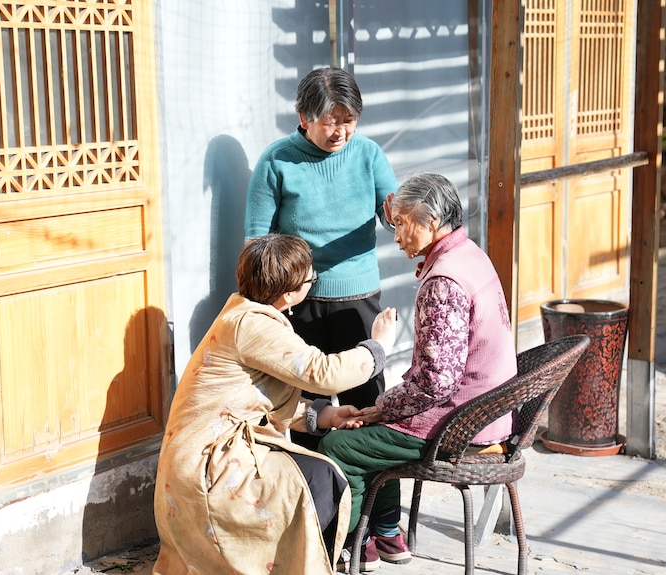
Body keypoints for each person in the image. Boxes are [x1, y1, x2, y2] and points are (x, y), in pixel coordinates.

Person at [152, 233, 399, 575]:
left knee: (316, 474)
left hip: (204, 453)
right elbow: (323, 372)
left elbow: (261, 399)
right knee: (319, 479)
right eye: (310, 278)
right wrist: (378, 345)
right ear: (289, 292)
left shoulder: (242, 313)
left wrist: (326, 416)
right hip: (207, 465)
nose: (312, 283)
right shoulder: (252, 325)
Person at [318, 173, 518, 571]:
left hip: (463, 424)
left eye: (402, 223)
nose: (395, 236)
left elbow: (435, 383)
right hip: (488, 414)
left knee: (339, 447)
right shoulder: (470, 254)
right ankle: (388, 536)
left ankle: (348, 548)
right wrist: (385, 409)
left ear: (429, 221)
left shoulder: (443, 279)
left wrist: (381, 408)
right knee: (376, 428)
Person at [244, 67, 399, 450]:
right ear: (303, 117)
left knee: (365, 405)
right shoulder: (277, 161)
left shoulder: (368, 154)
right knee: (301, 408)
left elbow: (392, 213)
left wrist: (397, 213)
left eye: (349, 122)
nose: (341, 132)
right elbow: (256, 242)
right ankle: (312, 498)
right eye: (330, 123)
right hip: (297, 301)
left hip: (357, 298)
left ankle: (374, 506)